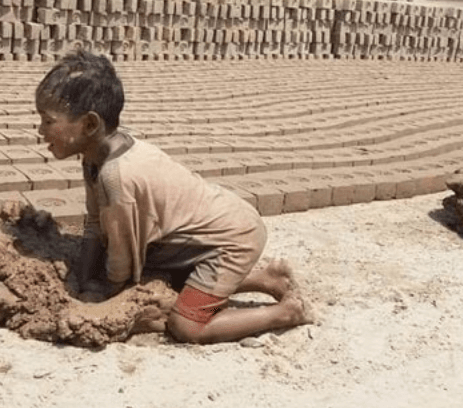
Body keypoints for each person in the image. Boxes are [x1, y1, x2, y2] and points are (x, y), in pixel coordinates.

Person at [35, 51, 312, 344]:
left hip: (232, 240)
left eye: (48, 121)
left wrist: (108, 298)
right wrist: (83, 278)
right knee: (162, 277)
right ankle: (268, 279)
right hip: (207, 233)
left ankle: (286, 312)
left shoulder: (116, 178)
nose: (40, 131)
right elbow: (94, 223)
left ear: (90, 125)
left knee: (187, 325)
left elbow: (121, 261)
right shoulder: (97, 157)